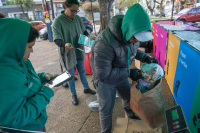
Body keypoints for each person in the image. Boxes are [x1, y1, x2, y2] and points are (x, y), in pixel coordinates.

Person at [90, 4, 159, 133]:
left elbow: (133, 51)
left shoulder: (132, 36)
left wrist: (146, 58)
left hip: (121, 74)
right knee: (106, 108)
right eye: (136, 39)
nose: (136, 42)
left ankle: (131, 118)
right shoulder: (104, 43)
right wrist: (129, 72)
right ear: (129, 31)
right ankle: (106, 130)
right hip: (104, 79)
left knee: (129, 98)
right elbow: (103, 73)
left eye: (138, 40)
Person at [0, 18, 56, 132]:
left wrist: (43, 76)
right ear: (15, 45)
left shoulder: (20, 60)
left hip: (35, 121)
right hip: (28, 128)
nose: (32, 51)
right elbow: (15, 119)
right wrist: (46, 92)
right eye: (30, 46)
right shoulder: (7, 77)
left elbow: (29, 78)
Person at [53, 0, 96, 106]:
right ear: (65, 7)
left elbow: (83, 30)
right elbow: (56, 39)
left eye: (77, 11)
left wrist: (89, 35)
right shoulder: (58, 21)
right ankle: (73, 94)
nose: (74, 13)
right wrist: (64, 44)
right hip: (67, 51)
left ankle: (86, 88)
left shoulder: (77, 18)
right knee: (70, 75)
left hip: (78, 49)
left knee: (82, 70)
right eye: (72, 11)